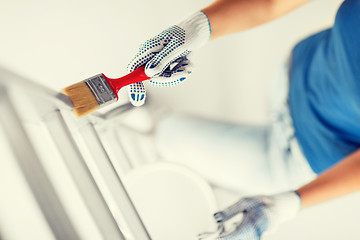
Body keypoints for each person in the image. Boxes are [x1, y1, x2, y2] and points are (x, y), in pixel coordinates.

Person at [127, 0, 360, 239]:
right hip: (290, 76)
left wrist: (282, 206)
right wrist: (191, 30)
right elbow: (272, 3)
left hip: (294, 159)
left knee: (168, 135)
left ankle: (154, 127)